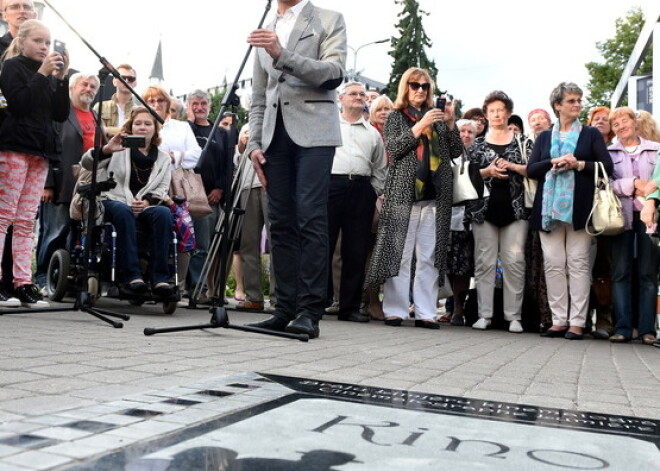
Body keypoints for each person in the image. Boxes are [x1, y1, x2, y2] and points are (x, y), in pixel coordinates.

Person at [244, 0, 346, 339]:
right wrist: (254, 144)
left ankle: (309, 311)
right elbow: (259, 95)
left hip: (315, 134)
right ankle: (283, 308)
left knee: (310, 218)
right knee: (281, 223)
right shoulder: (265, 23)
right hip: (274, 136)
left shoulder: (329, 19)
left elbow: (332, 74)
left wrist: (281, 53)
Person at [366, 67, 462, 329]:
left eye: (425, 86)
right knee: (400, 253)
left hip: (435, 196)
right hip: (402, 195)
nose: (420, 90)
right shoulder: (396, 116)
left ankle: (426, 311)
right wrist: (421, 125)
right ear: (405, 88)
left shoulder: (440, 119)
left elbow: (455, 151)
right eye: (414, 85)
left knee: (429, 255)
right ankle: (395, 309)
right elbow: (395, 148)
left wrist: (451, 122)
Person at [527, 82, 612, 340]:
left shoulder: (590, 135)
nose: (577, 105)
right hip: (548, 211)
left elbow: (607, 167)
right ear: (558, 106)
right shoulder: (543, 137)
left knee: (578, 264)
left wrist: (579, 164)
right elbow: (531, 170)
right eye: (571, 101)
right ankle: (558, 320)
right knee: (553, 265)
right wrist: (551, 162)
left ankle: (577, 322)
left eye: (579, 100)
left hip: (580, 209)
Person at [0, 19, 69, 306]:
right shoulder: (12, 66)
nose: (44, 47)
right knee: (4, 217)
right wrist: (42, 73)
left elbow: (60, 114)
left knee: (27, 220)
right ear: (23, 41)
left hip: (40, 153)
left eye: (48, 42)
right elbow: (20, 104)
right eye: (38, 41)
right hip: (15, 148)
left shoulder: (49, 74)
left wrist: (62, 79)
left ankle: (23, 283)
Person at [80, 107, 174, 295]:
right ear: (131, 127)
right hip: (113, 199)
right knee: (123, 212)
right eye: (138, 123)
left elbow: (163, 187)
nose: (142, 127)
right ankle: (132, 275)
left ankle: (160, 279)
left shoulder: (163, 159)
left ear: (155, 129)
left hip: (144, 205)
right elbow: (86, 163)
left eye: (148, 124)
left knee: (164, 213)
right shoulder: (119, 148)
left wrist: (147, 202)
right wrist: (106, 149)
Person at [465, 91, 531, 334]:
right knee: (484, 263)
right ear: (486, 114)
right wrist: (487, 172)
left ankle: (513, 316)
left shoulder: (523, 142)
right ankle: (484, 315)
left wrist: (513, 166)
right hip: (484, 212)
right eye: (491, 111)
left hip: (516, 211)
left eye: (500, 110)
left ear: (508, 113)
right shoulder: (478, 144)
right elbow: (467, 175)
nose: (495, 115)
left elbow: (533, 170)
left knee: (514, 262)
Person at [327, 81, 386, 323]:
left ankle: (349, 307)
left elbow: (380, 167)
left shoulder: (372, 132)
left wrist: (372, 192)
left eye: (362, 94)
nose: (359, 97)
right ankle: (317, 301)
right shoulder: (328, 126)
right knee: (323, 246)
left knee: (356, 250)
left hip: (361, 190)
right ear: (340, 99)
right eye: (353, 93)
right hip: (330, 187)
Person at [35, 72, 99, 290]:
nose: (89, 89)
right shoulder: (61, 114)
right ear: (71, 88)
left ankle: (66, 281)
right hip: (61, 185)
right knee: (55, 232)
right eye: (84, 84)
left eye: (93, 86)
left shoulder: (95, 117)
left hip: (87, 187)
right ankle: (43, 277)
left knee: (76, 236)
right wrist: (47, 183)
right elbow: (48, 147)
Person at [142, 85, 202, 296]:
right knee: (146, 230)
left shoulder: (180, 127)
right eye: (151, 101)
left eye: (160, 100)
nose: (156, 104)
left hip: (174, 185)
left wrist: (174, 156)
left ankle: (178, 283)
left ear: (168, 104)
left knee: (181, 231)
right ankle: (146, 281)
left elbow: (197, 154)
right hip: (145, 184)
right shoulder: (139, 125)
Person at [607, 107, 659, 345]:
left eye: (624, 120)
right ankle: (623, 327)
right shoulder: (608, 152)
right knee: (621, 272)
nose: (620, 126)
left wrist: (651, 188)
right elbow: (607, 184)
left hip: (650, 217)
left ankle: (648, 329)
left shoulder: (655, 148)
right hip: (621, 217)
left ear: (634, 122)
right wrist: (635, 184)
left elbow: (658, 180)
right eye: (615, 124)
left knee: (648, 274)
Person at [0, 0, 36, 299]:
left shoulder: (45, 55)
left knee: (22, 219)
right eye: (15, 5)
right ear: (3, 12)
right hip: (7, 139)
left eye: (28, 5)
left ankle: (18, 282)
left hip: (33, 145)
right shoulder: (4, 53)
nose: (22, 9)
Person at [186, 89, 229, 301]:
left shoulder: (220, 133)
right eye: (195, 104)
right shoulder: (184, 128)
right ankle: (183, 286)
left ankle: (198, 288)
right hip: (187, 194)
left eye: (203, 104)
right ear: (188, 106)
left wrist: (220, 188)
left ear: (210, 106)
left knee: (204, 245)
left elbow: (226, 165)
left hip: (210, 198)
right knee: (186, 244)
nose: (199, 108)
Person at [444, 118, 478, 326]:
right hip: (445, 213)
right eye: (461, 131)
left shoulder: (479, 155)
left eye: (470, 132)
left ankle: (458, 307)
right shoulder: (446, 153)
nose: (465, 135)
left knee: (462, 266)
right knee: (444, 263)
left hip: (469, 217)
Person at [586, 105, 615, 339]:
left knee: (605, 268)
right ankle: (582, 317)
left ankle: (605, 319)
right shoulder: (582, 144)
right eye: (596, 118)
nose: (601, 121)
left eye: (606, 118)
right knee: (582, 266)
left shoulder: (617, 148)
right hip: (585, 212)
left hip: (610, 214)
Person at [93, 63, 137, 138]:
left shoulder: (139, 111)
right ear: (114, 82)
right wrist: (128, 131)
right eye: (122, 78)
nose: (126, 81)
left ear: (135, 83)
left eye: (131, 79)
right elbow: (94, 131)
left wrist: (108, 130)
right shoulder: (100, 107)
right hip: (106, 149)